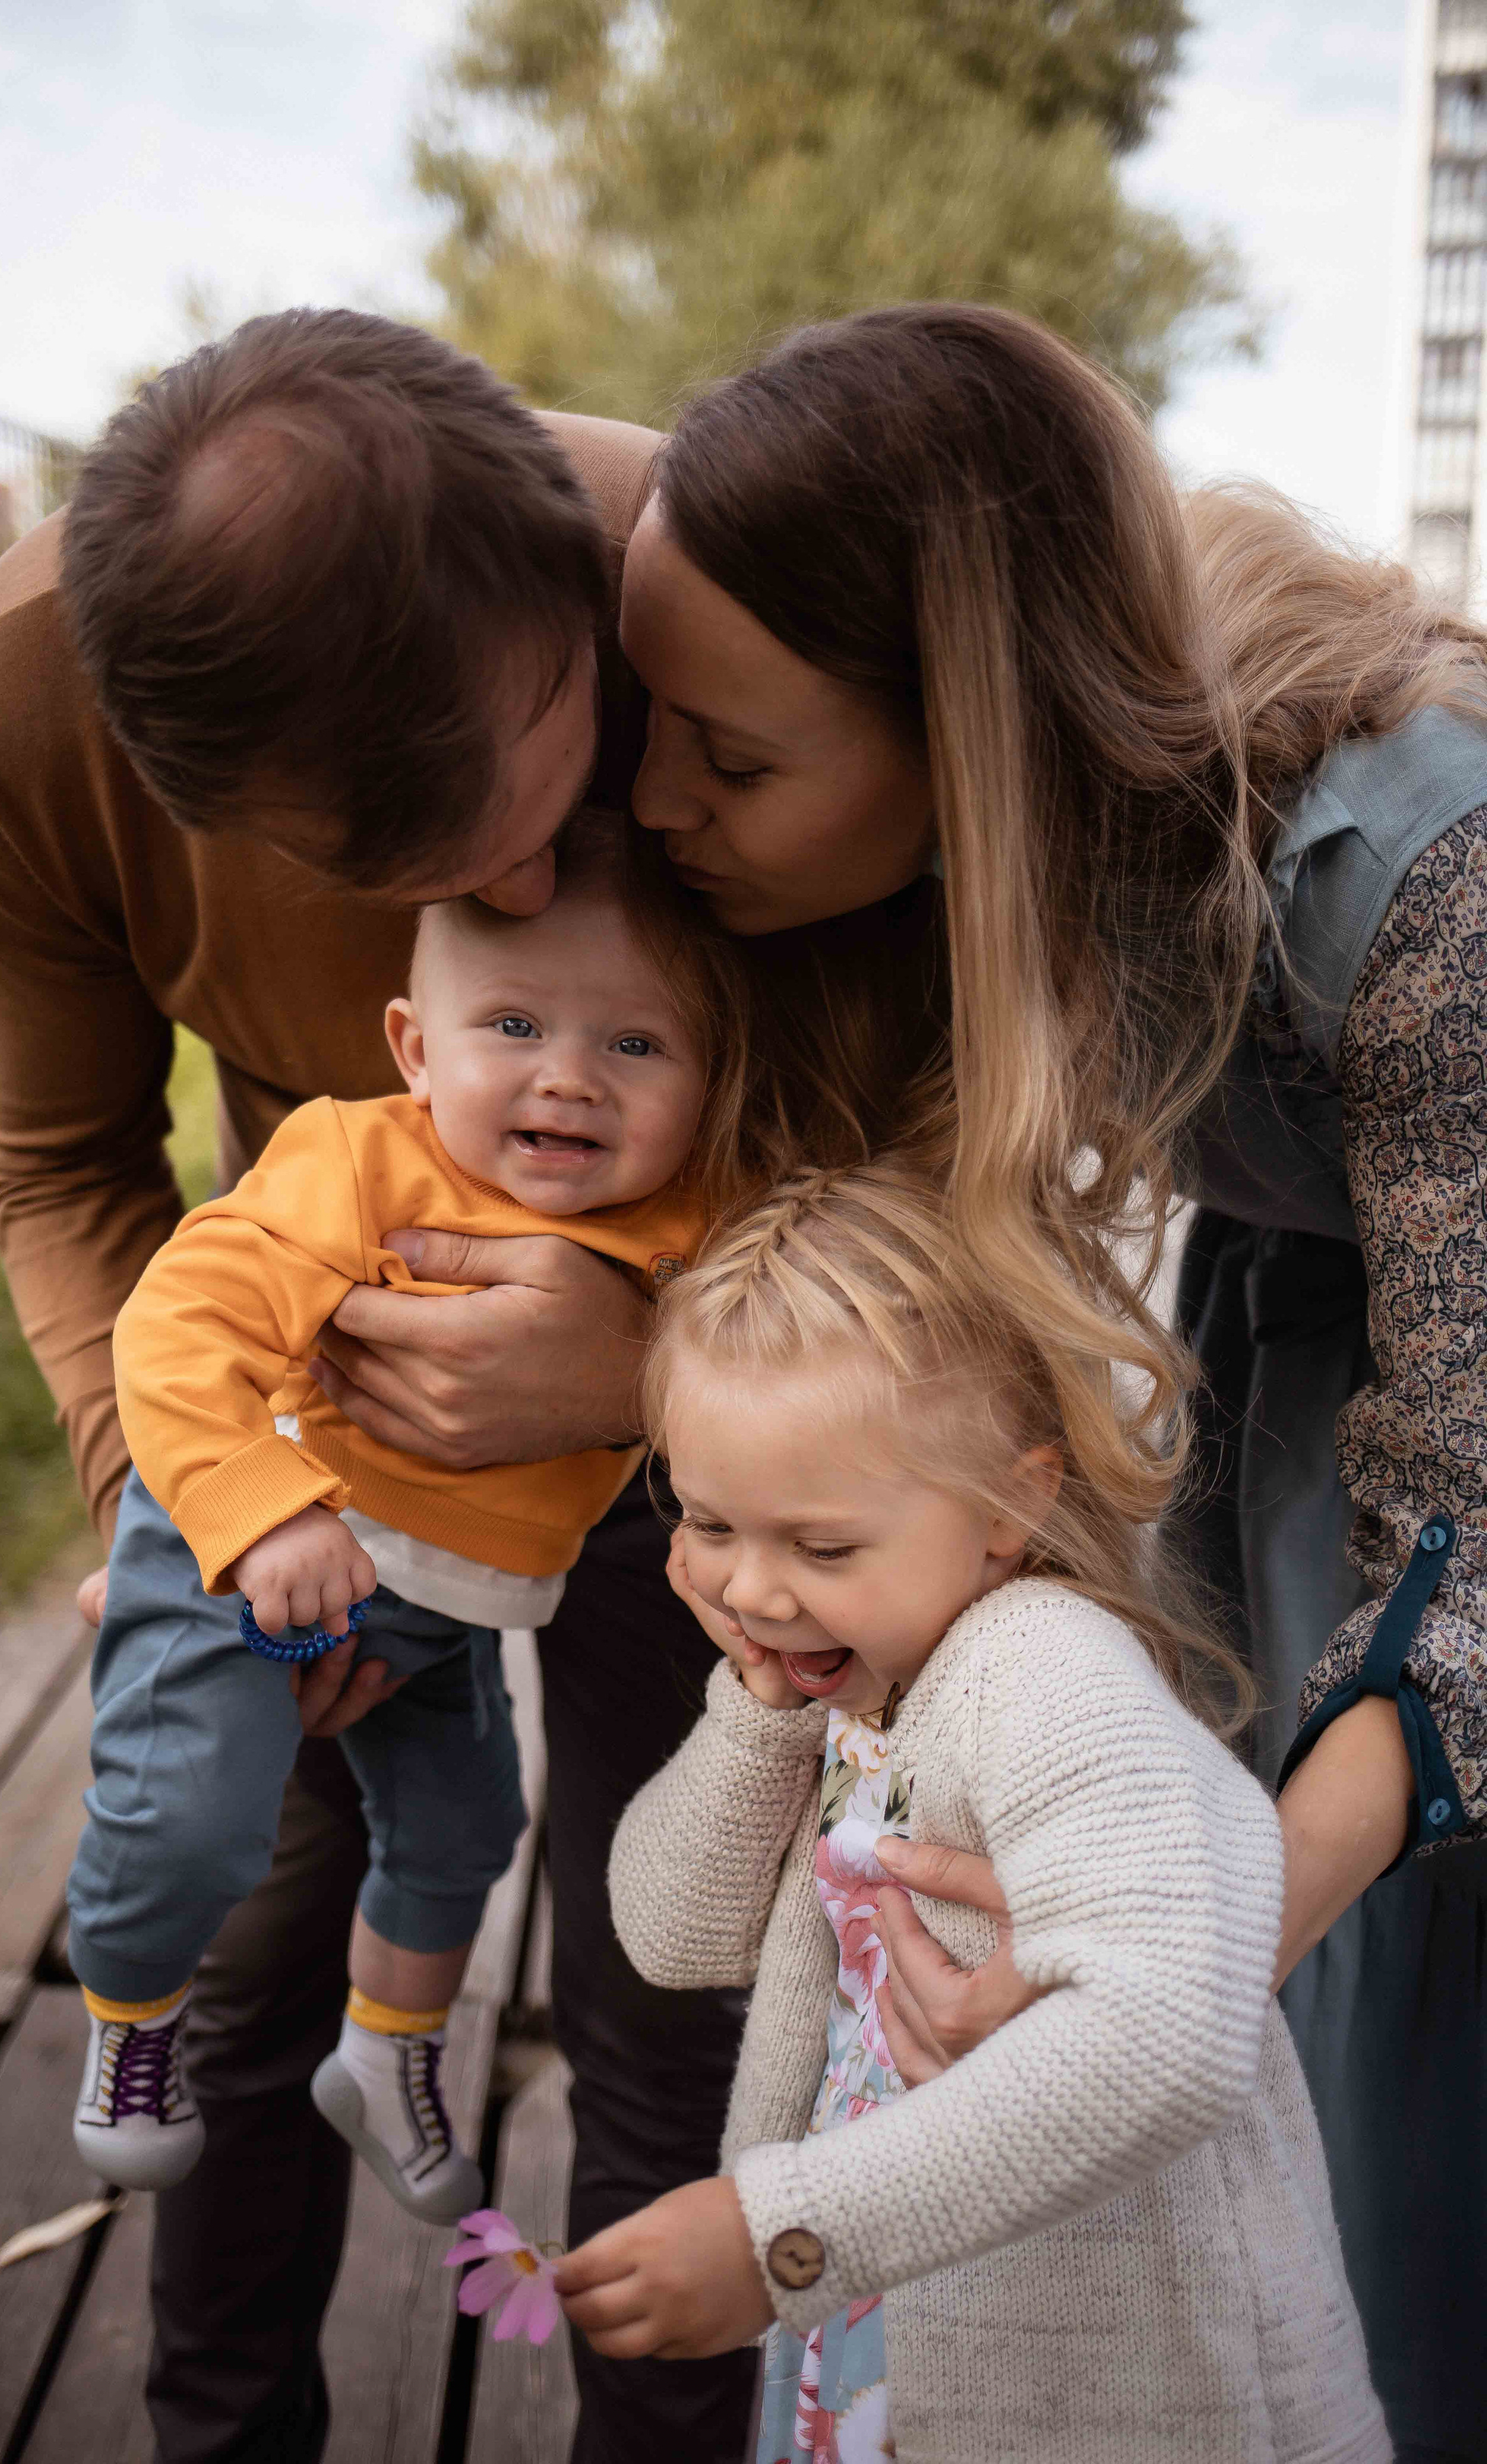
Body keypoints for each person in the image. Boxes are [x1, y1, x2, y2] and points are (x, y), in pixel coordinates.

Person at [612, 302, 1487, 2460]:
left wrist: (1183, 1960)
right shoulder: (937, 876)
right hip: (1297, 1333)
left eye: (731, 758)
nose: (658, 801)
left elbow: (1473, 1530)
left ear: (969, 732)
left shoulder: (1424, 898)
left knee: (1397, 2044)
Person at [0, 308, 757, 2464]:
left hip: (739, 1343)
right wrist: (194, 1500)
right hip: (314, 1409)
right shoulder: (19, 718)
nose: (498, 903)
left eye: (531, 800)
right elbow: (66, 1163)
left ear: (577, 606)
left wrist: (664, 1366)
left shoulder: (742, 586)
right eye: (397, 887)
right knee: (247, 1954)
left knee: (668, 1987)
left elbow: (936, 1140)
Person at [556, 1165, 1388, 2463]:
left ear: (1008, 1507)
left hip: (1106, 2373)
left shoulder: (1036, 1670)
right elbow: (668, 1932)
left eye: (818, 1548)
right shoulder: (861, 1682)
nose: (753, 1589)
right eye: (708, 1522)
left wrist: (779, 2237)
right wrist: (756, 1708)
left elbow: (1166, 2032)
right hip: (890, 2319)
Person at [67, 818, 712, 2221]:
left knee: (466, 1830)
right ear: (417, 1051)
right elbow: (180, 1322)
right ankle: (130, 2012)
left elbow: (783, 1355)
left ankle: (389, 2051)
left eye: (636, 1045)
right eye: (517, 1025)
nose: (567, 1077)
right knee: (200, 1818)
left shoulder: (689, 1224)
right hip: (257, 1549)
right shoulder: (357, 1164)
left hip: (451, 1603)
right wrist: (253, 1516)